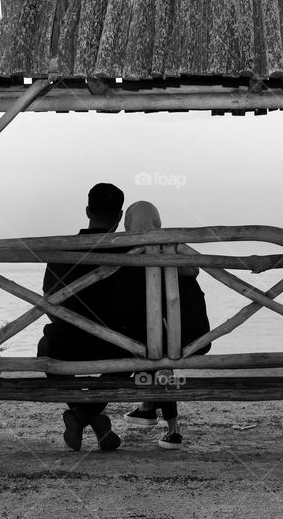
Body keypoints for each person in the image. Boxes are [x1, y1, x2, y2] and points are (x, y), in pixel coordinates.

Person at [37, 182, 132, 452]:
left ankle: (80, 413)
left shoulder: (62, 250)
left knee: (46, 348)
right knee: (137, 354)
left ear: (88, 210)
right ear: (119, 216)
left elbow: (48, 302)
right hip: (117, 346)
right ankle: (89, 415)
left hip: (64, 345)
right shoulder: (130, 251)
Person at [116, 201, 211, 450]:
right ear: (158, 223)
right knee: (157, 348)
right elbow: (200, 266)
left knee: (155, 353)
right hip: (196, 339)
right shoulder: (180, 259)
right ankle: (150, 409)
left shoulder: (127, 260)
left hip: (160, 345)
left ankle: (167, 423)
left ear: (128, 225)